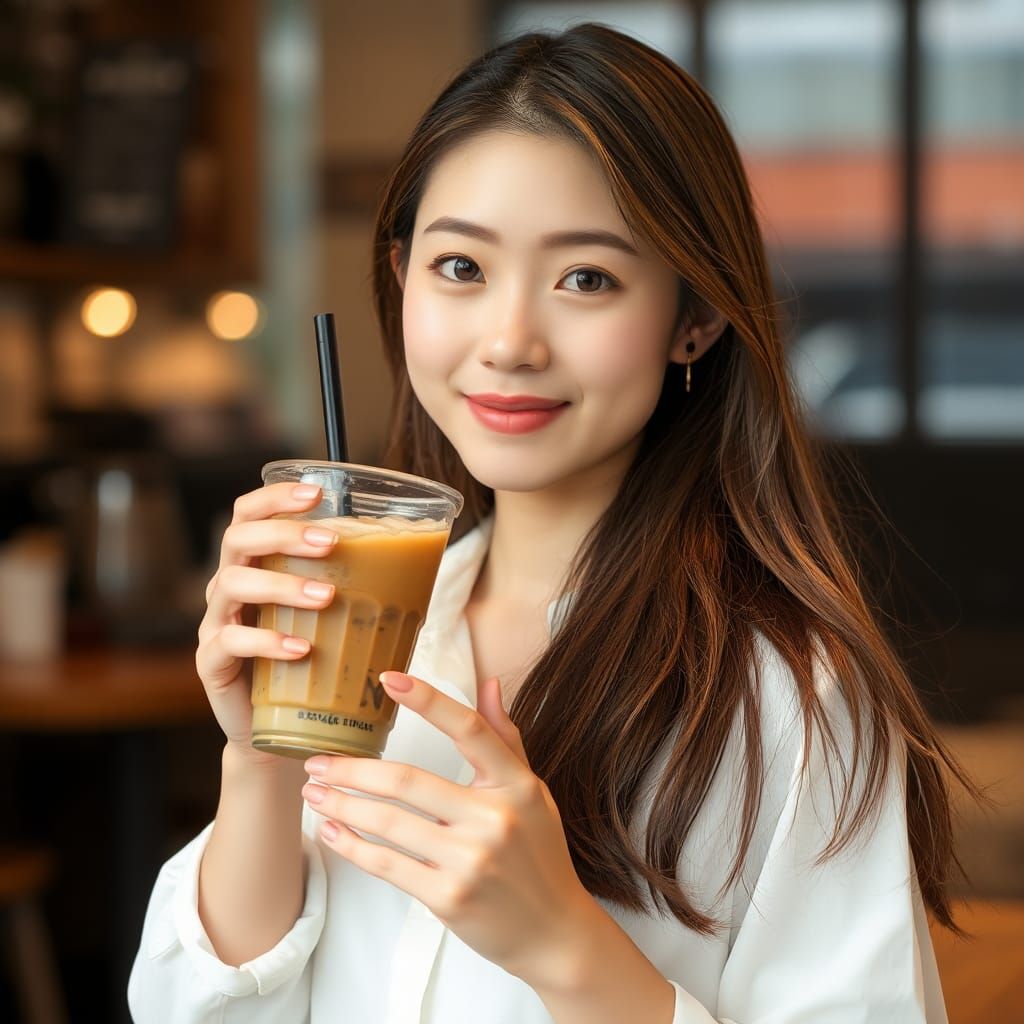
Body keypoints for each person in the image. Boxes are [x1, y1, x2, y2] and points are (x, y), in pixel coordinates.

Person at [129, 23, 973, 1023]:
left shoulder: (787, 693)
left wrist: (564, 946)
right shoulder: (364, 626)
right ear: (401, 278)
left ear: (692, 319)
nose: (510, 341)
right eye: (460, 268)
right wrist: (259, 763)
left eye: (586, 278)